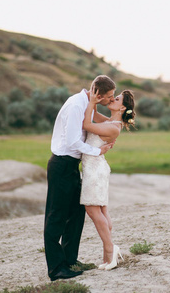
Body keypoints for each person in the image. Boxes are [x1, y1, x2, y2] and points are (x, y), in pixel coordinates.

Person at [44, 75, 116, 281]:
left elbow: (95, 119)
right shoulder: (77, 105)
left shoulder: (87, 103)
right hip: (62, 165)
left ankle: (70, 261)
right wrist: (97, 151)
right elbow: (73, 141)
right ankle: (56, 268)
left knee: (76, 213)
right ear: (98, 93)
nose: (110, 100)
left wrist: (117, 121)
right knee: (56, 217)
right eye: (109, 97)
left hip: (72, 166)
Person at [80, 88, 136, 271]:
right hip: (95, 167)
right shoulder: (110, 121)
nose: (112, 99)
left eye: (117, 98)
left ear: (122, 108)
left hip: (95, 170)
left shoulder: (113, 127)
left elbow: (87, 125)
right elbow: (94, 115)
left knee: (93, 210)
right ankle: (109, 254)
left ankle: (109, 250)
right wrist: (94, 98)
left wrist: (90, 103)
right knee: (102, 211)